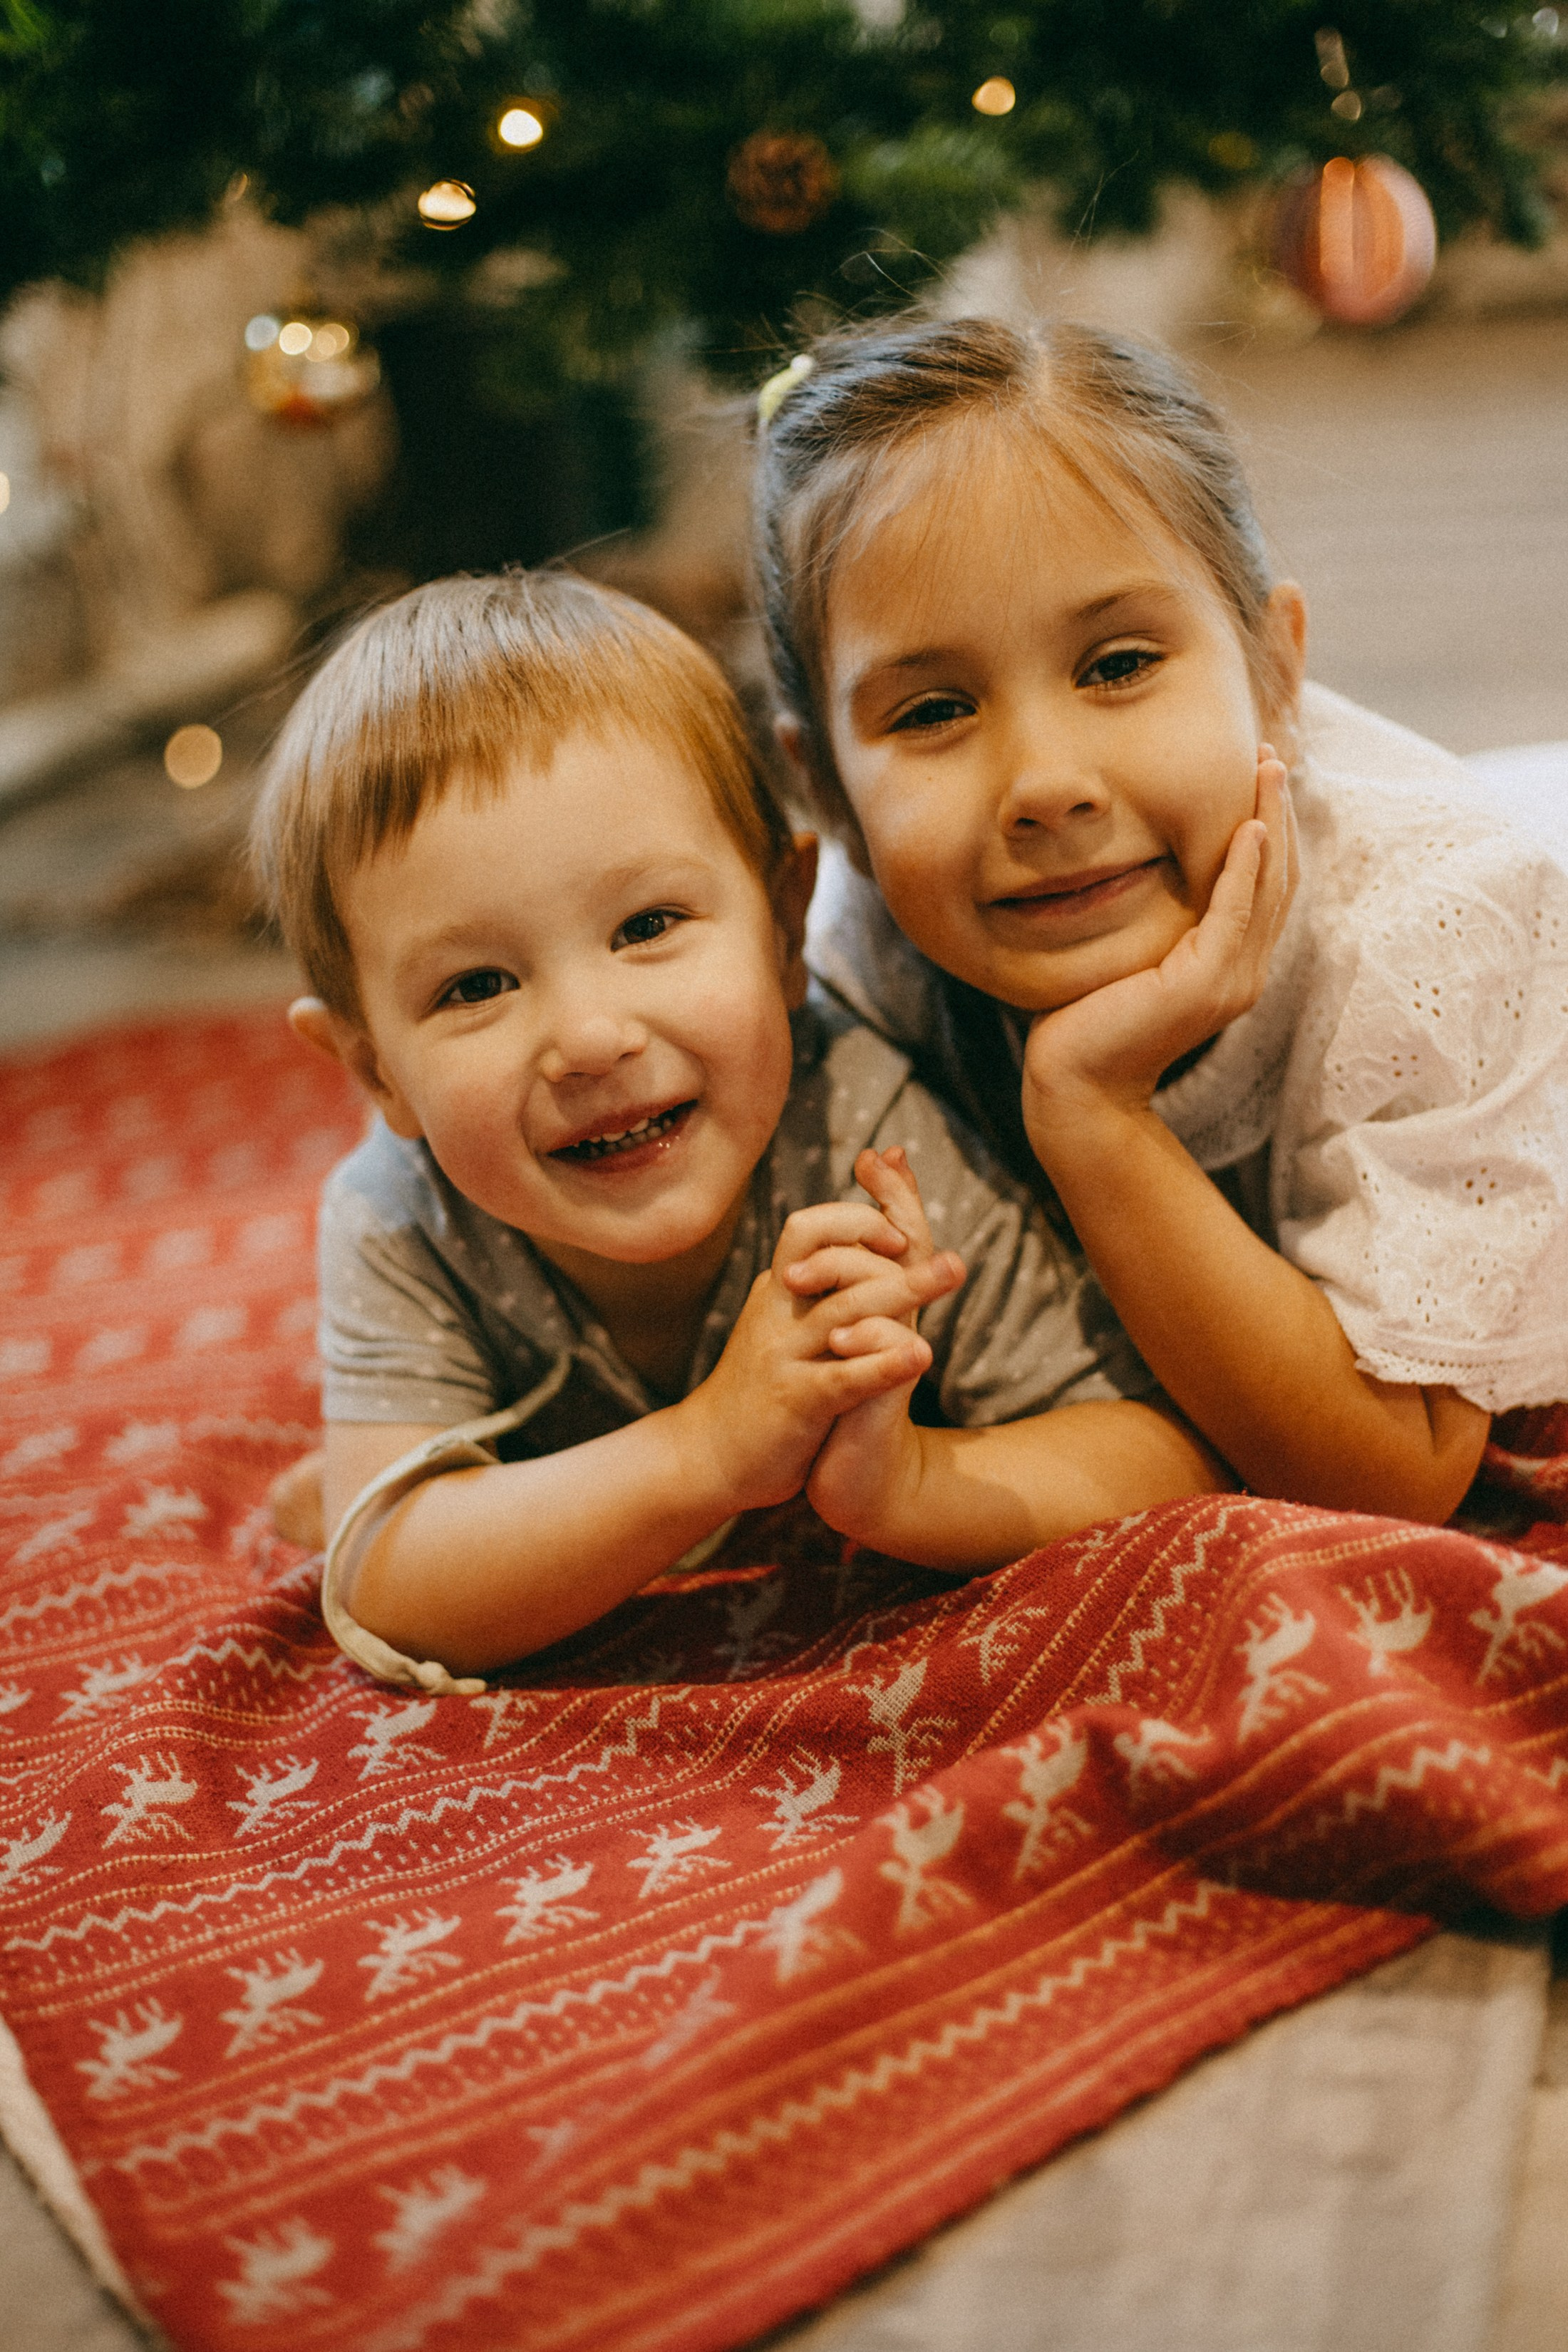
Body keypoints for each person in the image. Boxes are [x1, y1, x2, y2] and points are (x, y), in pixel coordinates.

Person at [252, 570, 1224, 1692]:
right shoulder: (399, 1215)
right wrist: (708, 1451)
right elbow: (386, 1588)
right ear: (376, 1069)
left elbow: (1157, 1455)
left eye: (648, 924)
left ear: (782, 924)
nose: (589, 1037)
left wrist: (907, 1481)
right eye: (475, 987)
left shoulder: (865, 1140)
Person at [753, 315, 1568, 1529]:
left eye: (1118, 665)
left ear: (1275, 676)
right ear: (825, 788)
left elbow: (1392, 1475)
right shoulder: (871, 946)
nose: (1046, 783)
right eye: (932, 709)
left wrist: (1092, 1109)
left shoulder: (1433, 929)